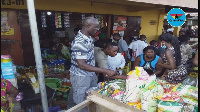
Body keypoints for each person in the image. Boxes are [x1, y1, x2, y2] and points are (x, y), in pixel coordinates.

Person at [68, 17, 119, 111]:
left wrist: (95, 71)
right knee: (82, 103)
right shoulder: (80, 42)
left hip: (90, 74)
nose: (97, 30)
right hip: (81, 77)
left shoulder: (89, 38)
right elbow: (82, 65)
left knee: (90, 98)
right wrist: (105, 70)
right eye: (96, 27)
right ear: (87, 26)